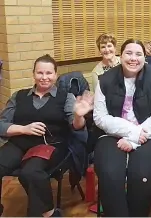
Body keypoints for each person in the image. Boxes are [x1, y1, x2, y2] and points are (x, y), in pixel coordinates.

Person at [0, 54, 94, 217]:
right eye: (40, 73)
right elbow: (1, 125)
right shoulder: (19, 96)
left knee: (30, 172)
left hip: (51, 145)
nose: (44, 77)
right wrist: (23, 129)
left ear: (55, 75)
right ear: (34, 74)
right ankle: (50, 213)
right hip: (19, 143)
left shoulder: (66, 97)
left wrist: (79, 115)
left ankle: (47, 214)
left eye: (49, 73)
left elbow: (76, 127)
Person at [93, 39, 151, 217]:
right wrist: (131, 131)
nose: (133, 58)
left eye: (139, 54)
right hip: (111, 135)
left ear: (145, 57)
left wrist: (133, 139)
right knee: (110, 175)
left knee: (140, 176)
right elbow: (99, 116)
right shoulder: (105, 80)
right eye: (129, 53)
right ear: (121, 56)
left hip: (150, 135)